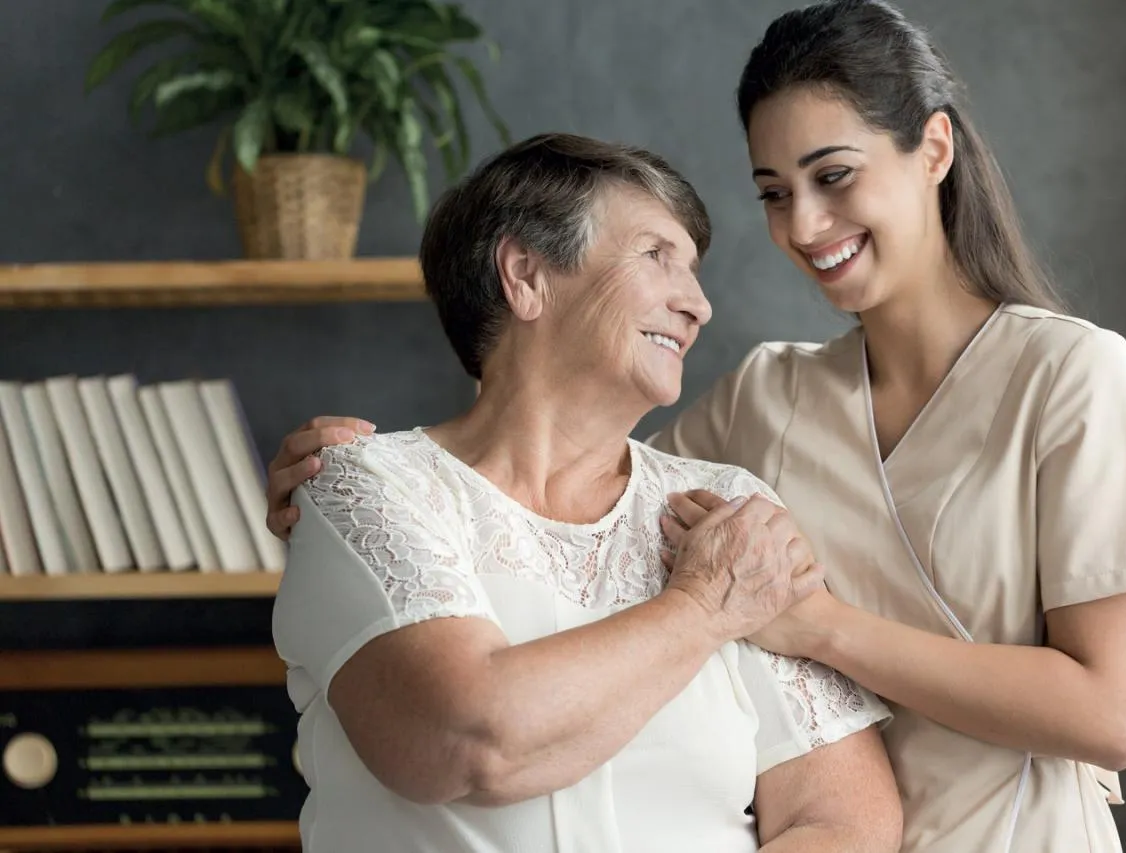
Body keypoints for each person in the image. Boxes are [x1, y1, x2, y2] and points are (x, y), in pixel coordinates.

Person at [266, 1, 1126, 851]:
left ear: (934, 148)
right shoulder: (768, 397)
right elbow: (568, 488)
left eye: (833, 176)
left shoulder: (1071, 375)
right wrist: (350, 480)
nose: (805, 223)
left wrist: (817, 626)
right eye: (775, 192)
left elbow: (1111, 714)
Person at [270, 132, 902, 853]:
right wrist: (701, 608)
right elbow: (463, 739)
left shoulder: (725, 508)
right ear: (526, 274)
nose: (698, 306)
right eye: (657, 256)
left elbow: (846, 821)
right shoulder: (365, 484)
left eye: (694, 272)